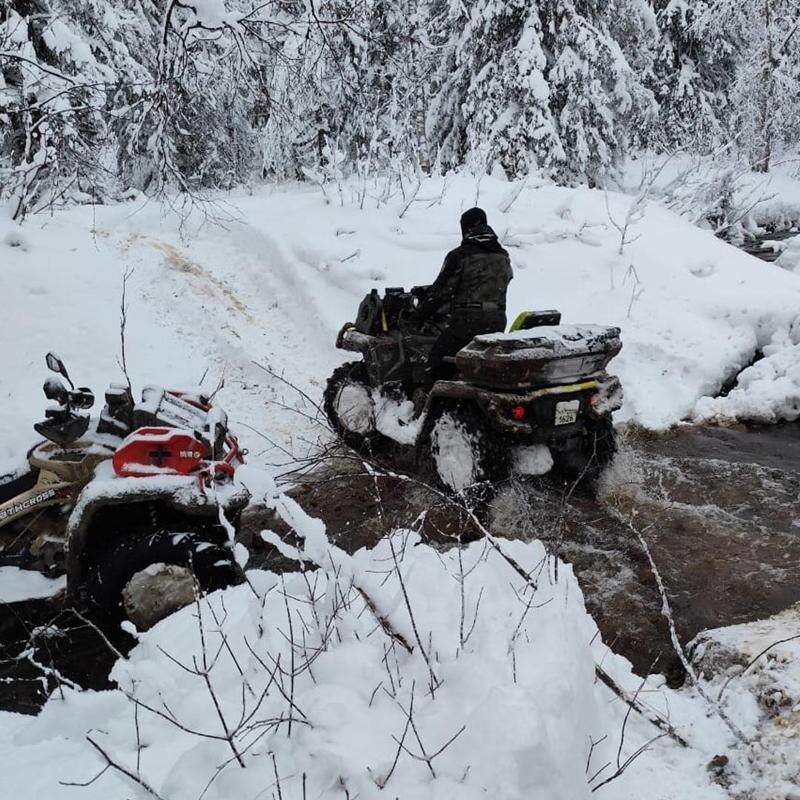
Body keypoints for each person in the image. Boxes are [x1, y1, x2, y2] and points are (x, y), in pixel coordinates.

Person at [416, 207, 513, 383]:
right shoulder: (503, 255)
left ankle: (428, 396)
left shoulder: (460, 255)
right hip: (497, 321)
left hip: (466, 322)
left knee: (436, 363)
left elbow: (441, 292)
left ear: (465, 228)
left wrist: (419, 315)